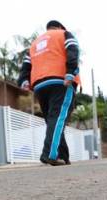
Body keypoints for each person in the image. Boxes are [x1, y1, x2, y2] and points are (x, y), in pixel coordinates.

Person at [17, 20, 80, 166]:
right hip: (61, 81)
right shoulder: (64, 34)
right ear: (59, 27)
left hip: (39, 85)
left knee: (53, 120)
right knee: (58, 119)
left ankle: (63, 156)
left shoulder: (34, 44)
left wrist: (23, 80)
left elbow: (26, 65)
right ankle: (49, 155)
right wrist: (70, 72)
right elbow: (73, 51)